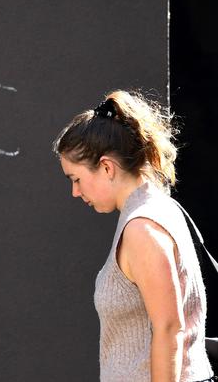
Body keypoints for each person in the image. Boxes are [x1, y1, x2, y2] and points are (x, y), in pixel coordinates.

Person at [53, 90, 215, 382]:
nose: (75, 192)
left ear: (106, 167)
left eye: (76, 179)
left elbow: (169, 329)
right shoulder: (160, 207)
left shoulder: (142, 227)